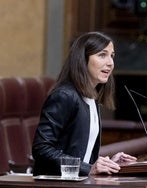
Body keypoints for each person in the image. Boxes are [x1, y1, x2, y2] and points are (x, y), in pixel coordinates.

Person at [32, 31, 137, 176]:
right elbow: (41, 149)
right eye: (102, 55)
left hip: (77, 183)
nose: (110, 63)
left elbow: (81, 153)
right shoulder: (64, 96)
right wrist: (88, 169)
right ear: (83, 59)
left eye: (112, 56)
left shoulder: (90, 98)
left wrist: (109, 163)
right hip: (56, 183)